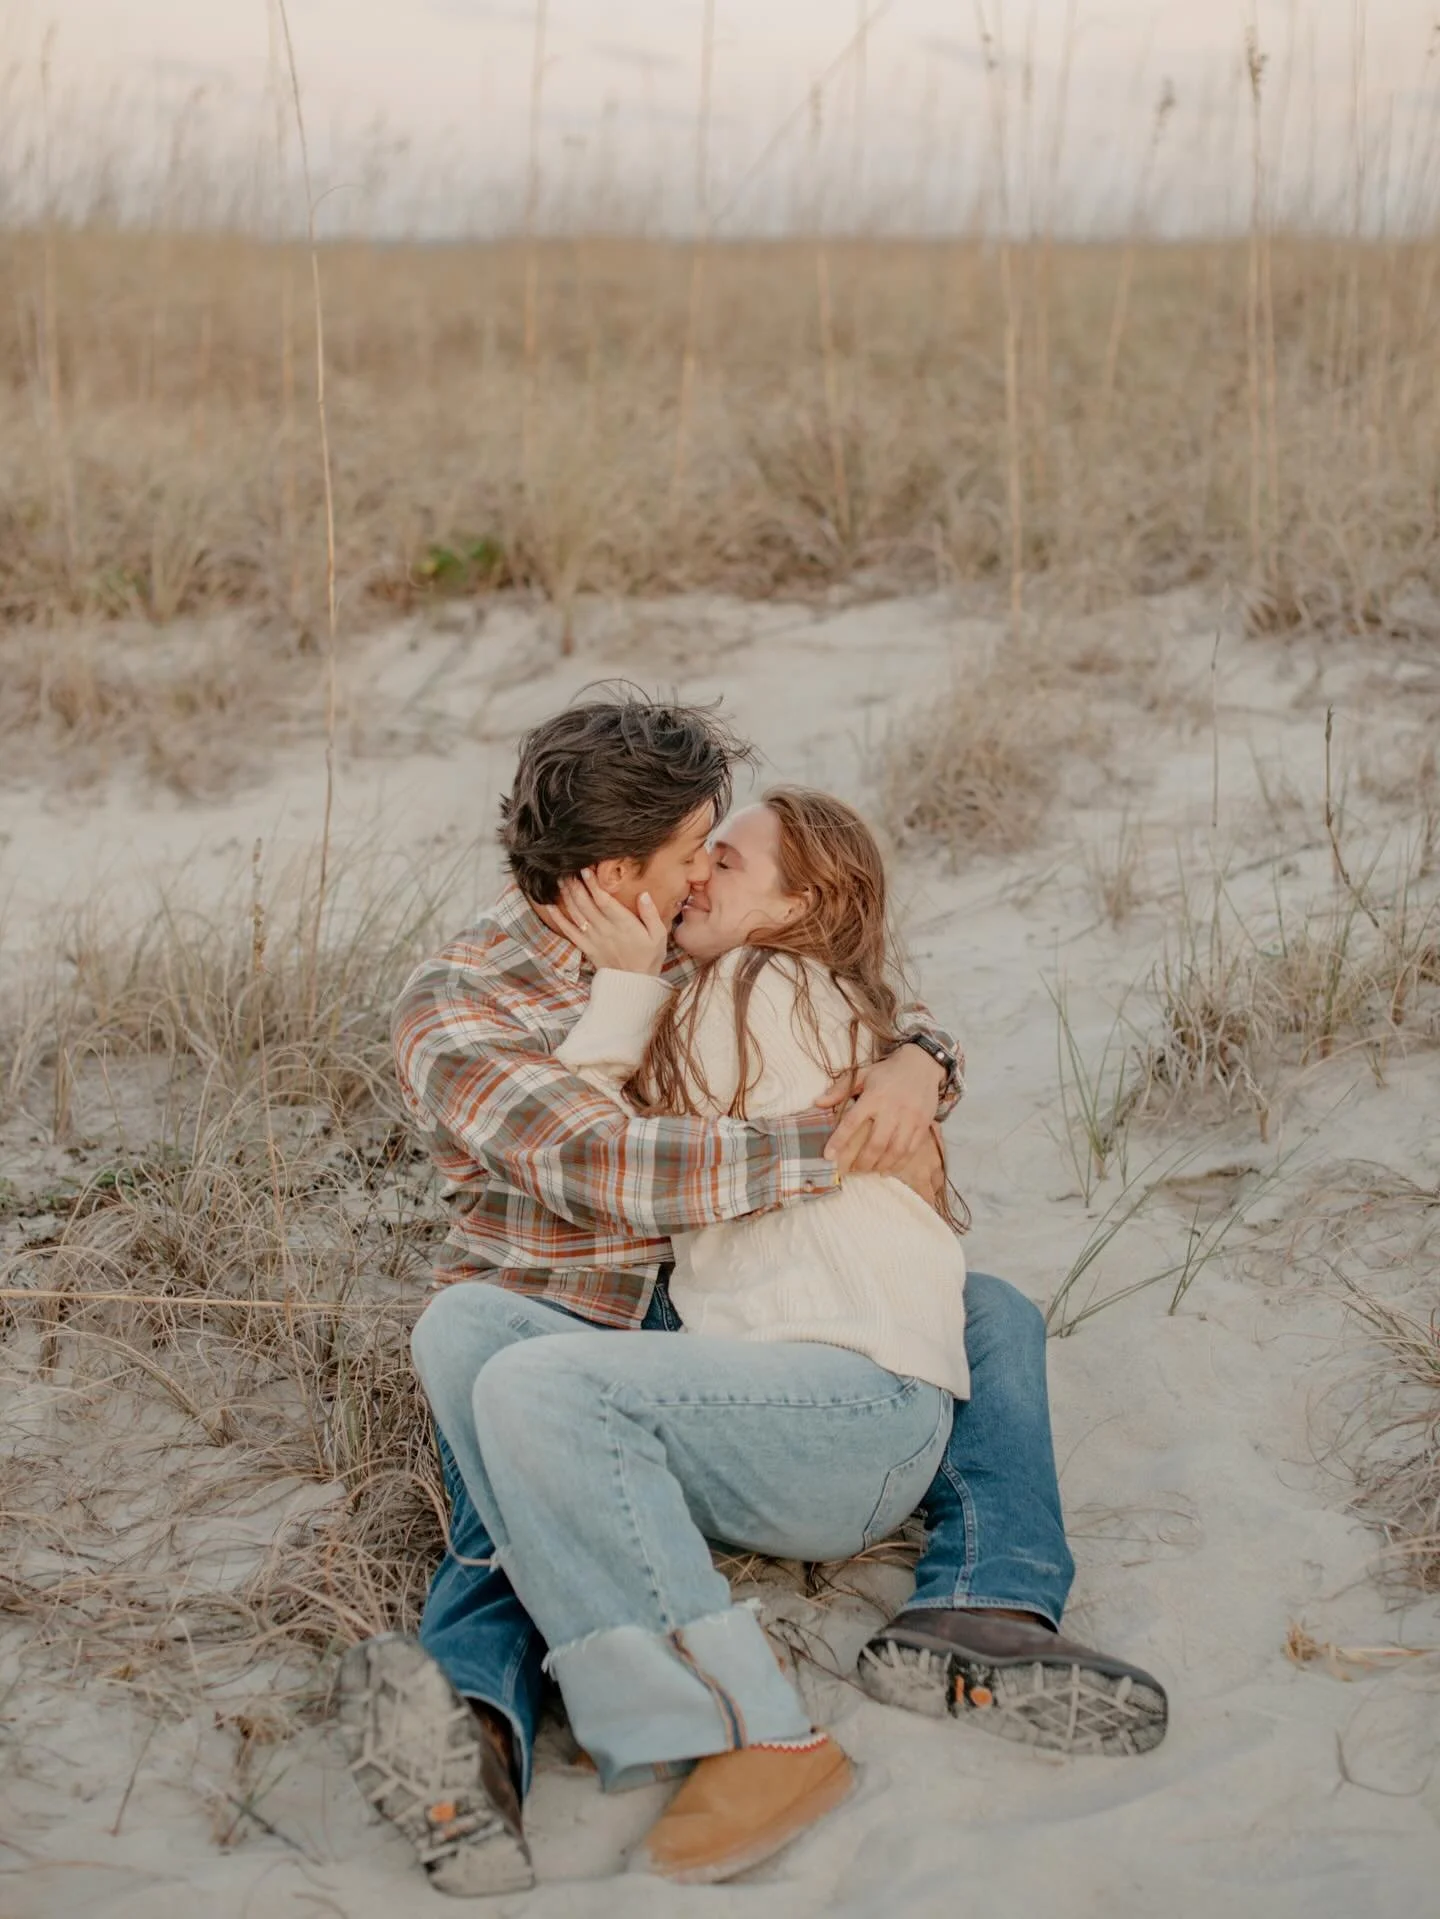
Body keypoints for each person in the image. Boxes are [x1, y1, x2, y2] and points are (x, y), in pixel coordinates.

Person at [338, 694, 1167, 1899]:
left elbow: (841, 984)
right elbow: (613, 1165)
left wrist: (919, 1064)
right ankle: (482, 1715)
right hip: (578, 1308)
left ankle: (983, 1605)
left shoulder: (687, 932)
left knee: (986, 1306)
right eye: (696, 851)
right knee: (472, 1340)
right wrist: (845, 1144)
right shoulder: (461, 1001)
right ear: (617, 872)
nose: (704, 874)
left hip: (719, 1322)